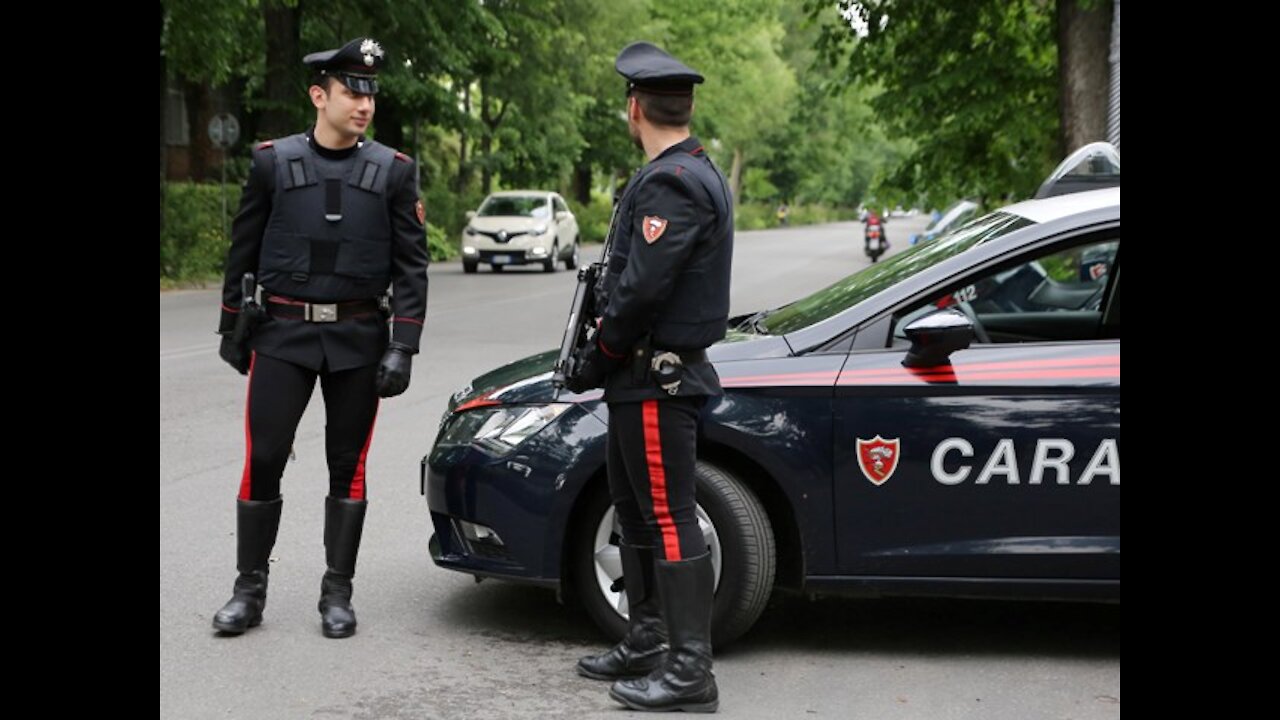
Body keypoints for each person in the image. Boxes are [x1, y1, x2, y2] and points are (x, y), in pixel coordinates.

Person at [211, 37, 429, 639]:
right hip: (282, 334)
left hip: (359, 338)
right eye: (351, 91)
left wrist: (402, 345)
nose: (363, 103)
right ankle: (248, 591)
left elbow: (413, 266)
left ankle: (338, 593)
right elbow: (243, 248)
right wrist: (233, 324)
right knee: (263, 459)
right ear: (319, 95)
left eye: (370, 93)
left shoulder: (394, 172)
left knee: (347, 469)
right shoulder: (271, 163)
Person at [565, 41, 732, 713]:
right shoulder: (690, 171)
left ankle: (692, 671)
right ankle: (646, 639)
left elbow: (639, 292)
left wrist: (595, 357)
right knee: (635, 511)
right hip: (640, 381)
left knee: (667, 517)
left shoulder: (673, 180)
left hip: (656, 380)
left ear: (635, 108)